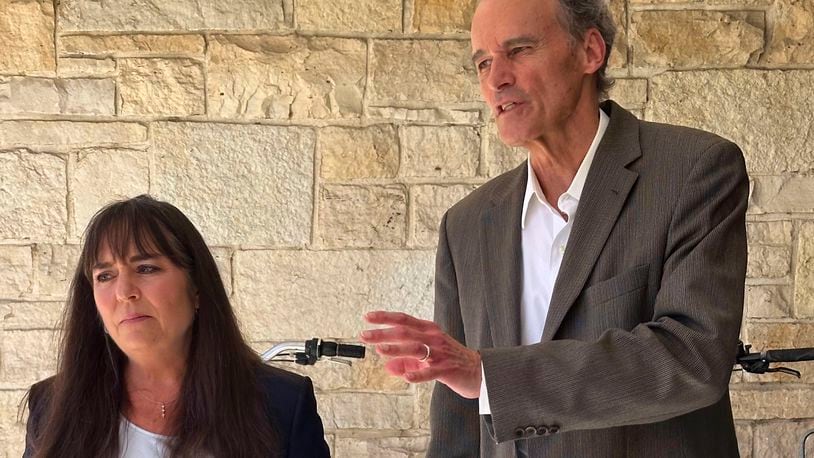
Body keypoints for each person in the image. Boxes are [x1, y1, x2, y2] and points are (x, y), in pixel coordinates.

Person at [360, 0, 749, 456]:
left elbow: (692, 358)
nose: (496, 78)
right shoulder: (466, 223)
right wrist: (473, 375)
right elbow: (457, 426)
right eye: (483, 62)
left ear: (589, 51)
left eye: (519, 50)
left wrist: (487, 373)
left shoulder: (693, 171)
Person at [23, 195, 330, 458]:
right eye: (105, 276)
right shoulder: (52, 407)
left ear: (196, 288)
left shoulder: (282, 404)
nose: (123, 291)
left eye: (146, 268)